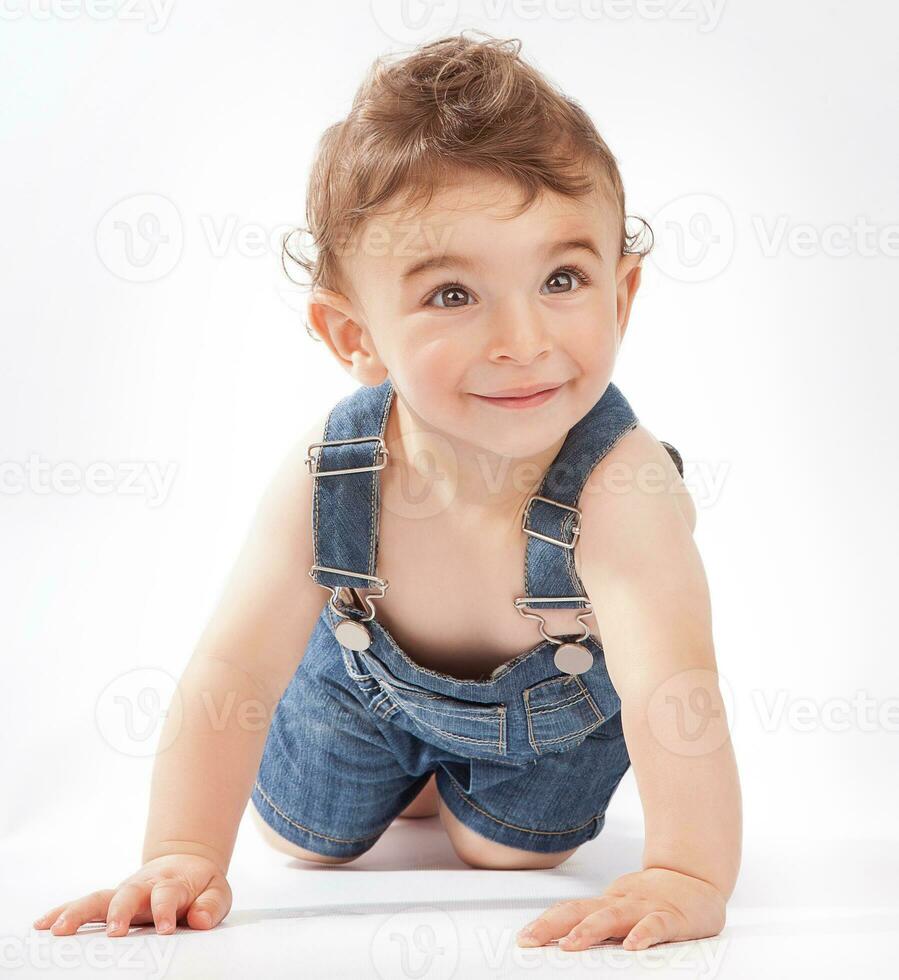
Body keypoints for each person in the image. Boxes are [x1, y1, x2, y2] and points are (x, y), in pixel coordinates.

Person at [34, 30, 740, 953]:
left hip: (548, 719)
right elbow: (235, 669)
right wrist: (179, 850)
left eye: (561, 278)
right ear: (349, 334)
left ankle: (458, 793)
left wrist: (685, 871)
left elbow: (670, 690)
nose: (522, 338)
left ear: (622, 293)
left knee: (506, 854)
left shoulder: (624, 486)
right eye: (453, 294)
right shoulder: (332, 471)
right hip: (358, 683)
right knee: (306, 840)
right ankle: (399, 770)